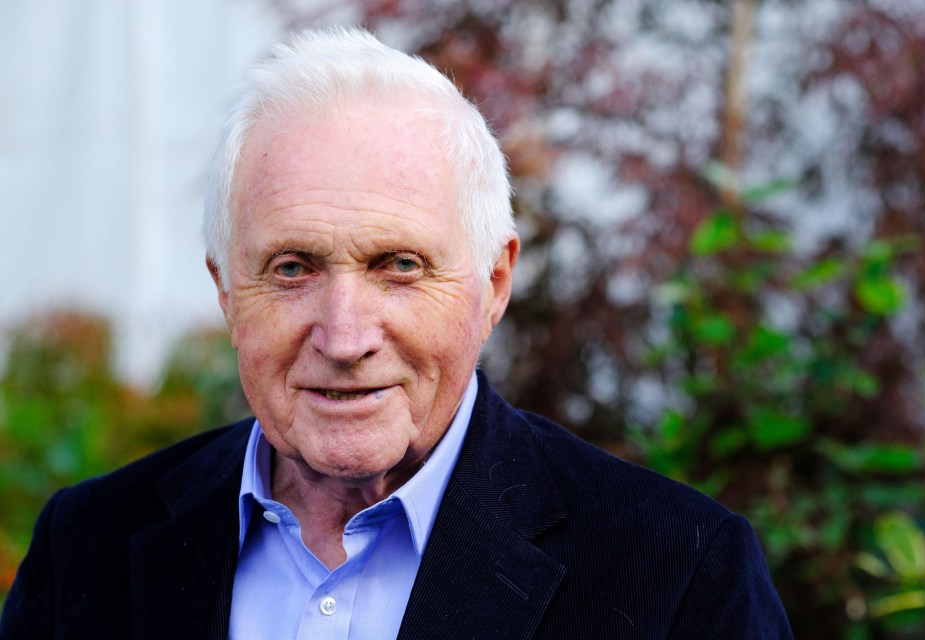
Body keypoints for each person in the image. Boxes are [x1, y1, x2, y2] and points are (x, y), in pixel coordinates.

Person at [0, 27, 793, 639]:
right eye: (291, 268)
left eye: (400, 265)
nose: (345, 337)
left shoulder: (679, 573)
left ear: (494, 284)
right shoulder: (89, 548)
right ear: (225, 290)